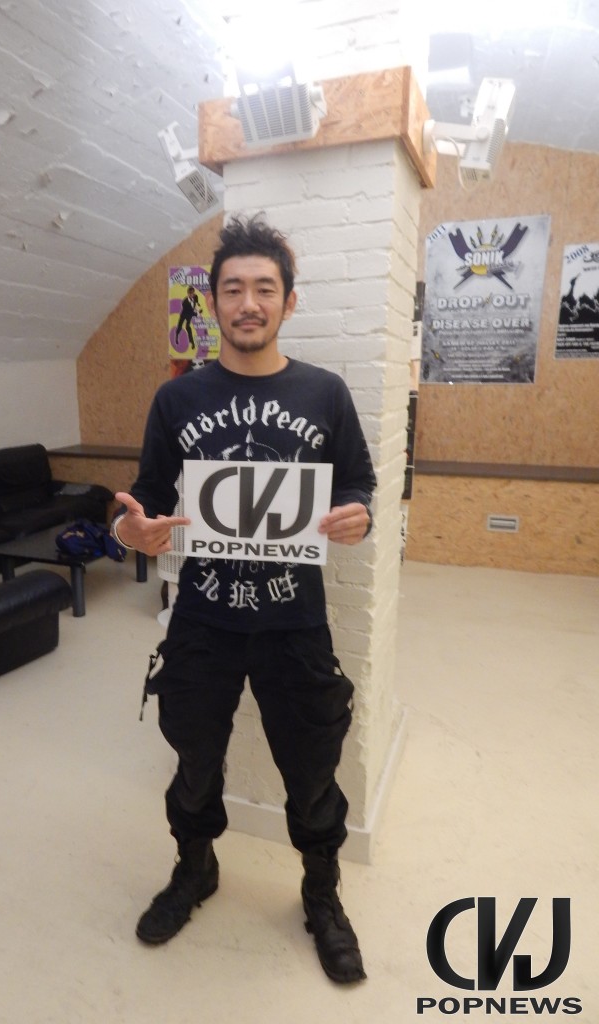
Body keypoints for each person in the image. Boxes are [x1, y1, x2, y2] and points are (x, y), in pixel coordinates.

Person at [111, 214, 376, 984]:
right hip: (203, 618)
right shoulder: (178, 399)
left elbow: (359, 484)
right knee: (195, 757)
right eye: (233, 289)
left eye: (264, 288)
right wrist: (132, 531)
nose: (248, 303)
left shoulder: (325, 392)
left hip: (296, 621)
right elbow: (143, 501)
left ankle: (321, 893)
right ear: (215, 302)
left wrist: (358, 516)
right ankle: (195, 869)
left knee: (313, 765)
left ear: (288, 301)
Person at [174, 285, 202, 349]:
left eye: (193, 293)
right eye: (191, 293)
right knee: (180, 327)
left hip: (189, 315)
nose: (192, 294)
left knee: (188, 327)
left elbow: (193, 307)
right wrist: (197, 313)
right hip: (184, 315)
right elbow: (190, 311)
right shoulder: (184, 302)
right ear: (188, 294)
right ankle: (177, 336)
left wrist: (197, 308)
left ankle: (192, 342)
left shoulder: (195, 298)